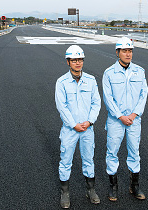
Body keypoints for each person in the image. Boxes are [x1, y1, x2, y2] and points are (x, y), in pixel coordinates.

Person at [55, 45, 101, 208]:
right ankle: (65, 193)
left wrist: (89, 122)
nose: (78, 63)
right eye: (74, 60)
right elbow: (62, 106)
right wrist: (74, 124)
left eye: (80, 60)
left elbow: (96, 102)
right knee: (66, 160)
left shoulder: (91, 80)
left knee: (88, 159)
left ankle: (90, 190)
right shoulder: (61, 82)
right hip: (70, 129)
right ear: (68, 62)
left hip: (88, 128)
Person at [102, 36, 148, 201]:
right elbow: (108, 98)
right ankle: (113, 186)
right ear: (117, 52)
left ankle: (134, 186)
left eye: (130, 51)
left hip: (134, 120)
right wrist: (120, 116)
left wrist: (134, 114)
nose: (128, 54)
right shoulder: (109, 73)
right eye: (124, 51)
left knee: (134, 152)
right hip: (116, 120)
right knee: (112, 152)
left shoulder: (140, 71)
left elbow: (143, 95)